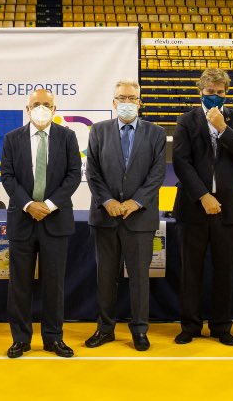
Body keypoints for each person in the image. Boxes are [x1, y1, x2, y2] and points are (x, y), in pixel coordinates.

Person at [171, 68, 233, 346]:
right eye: (210, 93)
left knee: (224, 270)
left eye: (220, 93)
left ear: (226, 93)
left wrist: (222, 128)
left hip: (229, 209)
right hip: (194, 207)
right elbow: (181, 162)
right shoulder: (186, 121)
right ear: (200, 92)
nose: (215, 97)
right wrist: (203, 196)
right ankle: (190, 325)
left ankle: (221, 326)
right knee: (190, 270)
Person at [84, 80, 166, 351]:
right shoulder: (98, 131)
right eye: (121, 97)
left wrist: (136, 202)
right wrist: (107, 201)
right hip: (106, 217)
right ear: (113, 102)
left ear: (140, 102)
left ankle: (140, 330)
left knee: (140, 279)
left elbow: (157, 175)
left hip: (139, 219)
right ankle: (105, 328)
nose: (127, 102)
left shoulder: (155, 133)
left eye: (132, 98)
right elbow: (92, 173)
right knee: (106, 278)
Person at [1, 89, 82, 359]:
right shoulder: (13, 138)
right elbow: (8, 176)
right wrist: (28, 205)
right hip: (22, 220)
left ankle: (53, 338)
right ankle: (20, 339)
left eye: (46, 104)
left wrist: (48, 205)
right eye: (36, 104)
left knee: (54, 284)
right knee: (19, 285)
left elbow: (73, 176)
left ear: (55, 109)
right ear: (27, 108)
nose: (41, 108)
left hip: (55, 220)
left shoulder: (68, 137)